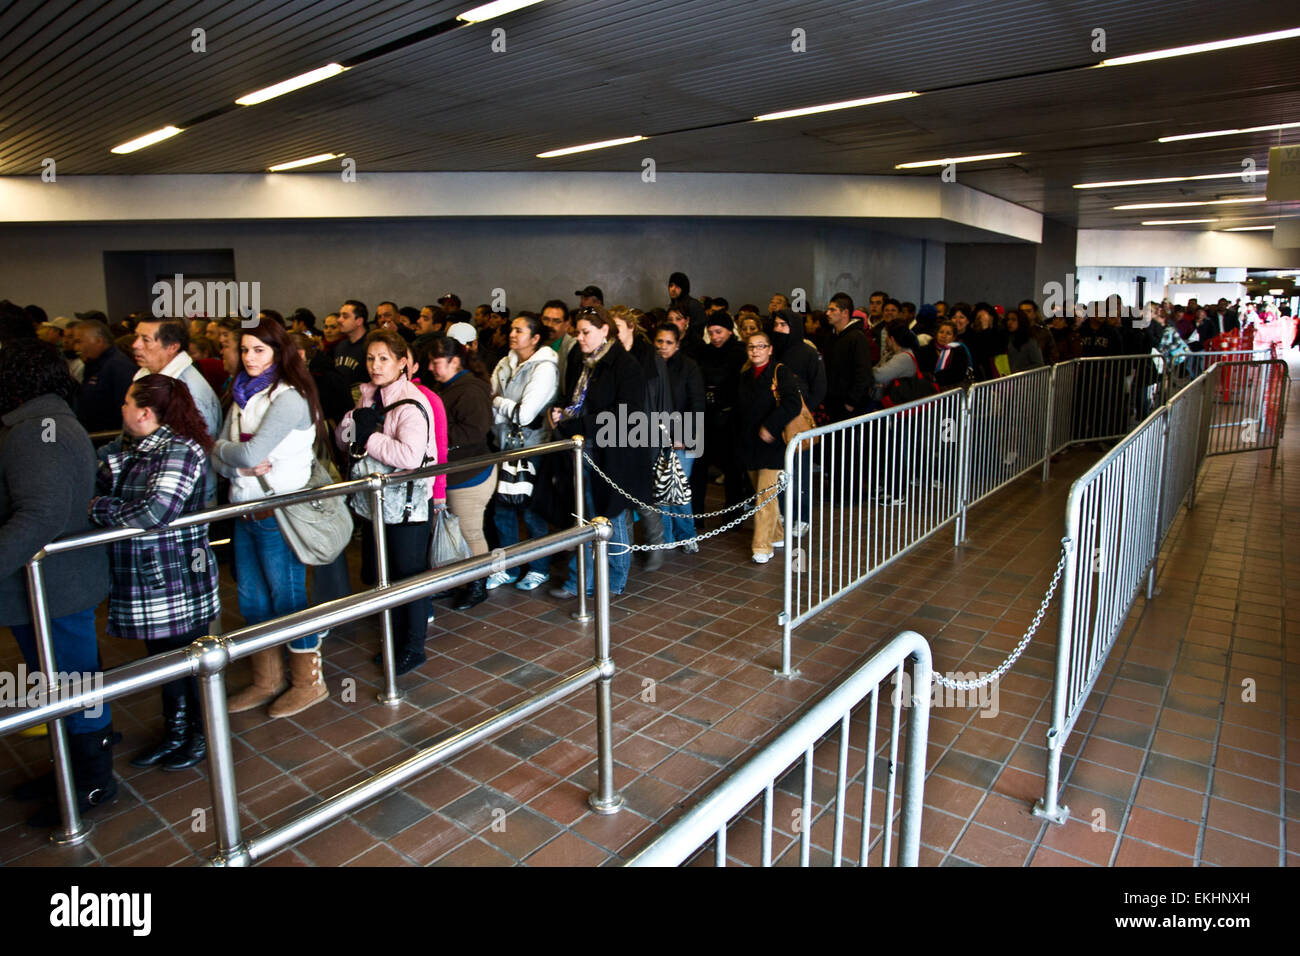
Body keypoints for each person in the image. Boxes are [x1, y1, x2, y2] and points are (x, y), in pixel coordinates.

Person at [0, 340, 117, 827]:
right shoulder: (42, 420)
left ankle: (92, 777)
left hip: (55, 585)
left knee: (74, 680)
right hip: (52, 584)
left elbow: (41, 514)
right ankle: (69, 769)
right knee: (60, 680)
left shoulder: (36, 430)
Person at [91, 375, 219, 772]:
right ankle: (176, 731)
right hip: (150, 571)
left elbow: (155, 511)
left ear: (145, 412)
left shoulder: (180, 449)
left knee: (189, 656)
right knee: (163, 658)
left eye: (127, 402)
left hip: (177, 572)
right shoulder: (129, 447)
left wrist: (98, 508)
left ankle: (201, 733)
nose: (122, 409)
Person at [212, 318, 331, 716]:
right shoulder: (241, 394)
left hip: (278, 513)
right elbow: (220, 455)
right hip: (244, 510)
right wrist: (233, 459)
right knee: (251, 597)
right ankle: (267, 679)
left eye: (259, 350)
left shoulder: (289, 397)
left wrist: (232, 455)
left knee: (288, 597)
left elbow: (244, 452)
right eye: (244, 349)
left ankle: (308, 682)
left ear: (279, 353)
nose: (249, 357)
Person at [338, 329, 438, 674]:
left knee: (409, 576)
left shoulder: (412, 402)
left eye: (384, 358)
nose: (375, 365)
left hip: (407, 506)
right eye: (370, 358)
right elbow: (345, 441)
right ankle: (394, 641)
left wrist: (370, 436)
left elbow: (410, 456)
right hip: (375, 504)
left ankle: (413, 647)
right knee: (386, 576)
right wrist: (352, 424)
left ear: (402, 363)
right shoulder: (367, 396)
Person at [547, 306, 650, 598]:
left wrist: (576, 422)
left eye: (585, 332)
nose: (579, 338)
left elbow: (625, 413)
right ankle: (582, 579)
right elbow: (573, 396)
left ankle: (615, 579)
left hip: (613, 451)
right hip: (582, 444)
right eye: (577, 332)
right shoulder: (582, 360)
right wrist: (561, 410)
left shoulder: (626, 365)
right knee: (584, 513)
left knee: (611, 514)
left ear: (604, 330)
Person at [487, 314, 560, 592]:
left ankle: (539, 568)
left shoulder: (544, 367)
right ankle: (507, 568)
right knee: (502, 509)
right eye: (512, 329)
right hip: (504, 445)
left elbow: (525, 414)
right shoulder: (504, 362)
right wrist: (505, 407)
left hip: (533, 447)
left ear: (535, 338)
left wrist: (499, 402)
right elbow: (490, 404)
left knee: (531, 511)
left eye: (519, 330)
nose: (512, 334)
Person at [427, 335, 496, 610]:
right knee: (453, 531)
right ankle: (457, 580)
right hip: (454, 471)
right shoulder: (447, 386)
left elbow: (476, 430)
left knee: (470, 532)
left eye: (436, 362)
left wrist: (434, 435)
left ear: (454, 361)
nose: (431, 368)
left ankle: (478, 584)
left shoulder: (470, 390)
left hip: (470, 474)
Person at [612, 308, 670, 570]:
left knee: (642, 495)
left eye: (618, 328)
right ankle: (627, 549)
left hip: (645, 433)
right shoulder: (610, 357)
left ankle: (655, 546)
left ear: (631, 327)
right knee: (618, 494)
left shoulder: (650, 357)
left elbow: (663, 399)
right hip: (614, 431)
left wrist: (664, 437)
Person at [736, 330, 802, 564]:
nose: (756, 351)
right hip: (750, 445)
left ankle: (762, 546)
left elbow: (792, 403)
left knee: (764, 497)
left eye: (761, 346)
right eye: (751, 347)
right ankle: (778, 535)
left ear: (770, 349)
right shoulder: (745, 375)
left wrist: (770, 427)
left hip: (773, 444)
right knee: (765, 495)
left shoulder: (780, 372)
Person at [653, 322, 705, 553]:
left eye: (669, 342)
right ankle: (666, 537)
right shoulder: (650, 366)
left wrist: (685, 437)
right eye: (659, 341)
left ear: (677, 344)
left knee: (678, 487)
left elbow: (697, 403)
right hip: (655, 435)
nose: (663, 346)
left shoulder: (689, 367)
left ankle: (687, 535)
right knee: (660, 488)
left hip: (685, 437)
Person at [70, 319, 136, 433]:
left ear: (99, 341)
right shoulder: (93, 364)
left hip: (108, 436)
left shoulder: (119, 367)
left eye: (79, 342)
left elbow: (125, 411)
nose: (76, 348)